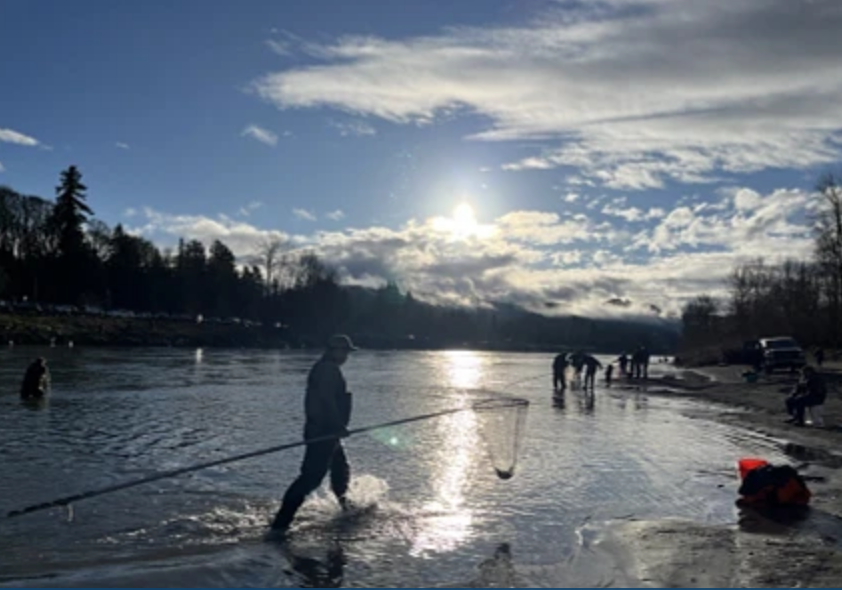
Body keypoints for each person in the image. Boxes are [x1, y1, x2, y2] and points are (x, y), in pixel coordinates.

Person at [271, 334, 358, 533]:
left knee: (340, 469)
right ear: (332, 350)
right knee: (311, 477)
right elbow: (327, 400)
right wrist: (338, 426)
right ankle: (280, 524)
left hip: (327, 431)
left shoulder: (328, 368)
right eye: (343, 351)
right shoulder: (328, 370)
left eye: (347, 351)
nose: (346, 355)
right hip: (323, 431)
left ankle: (345, 508)